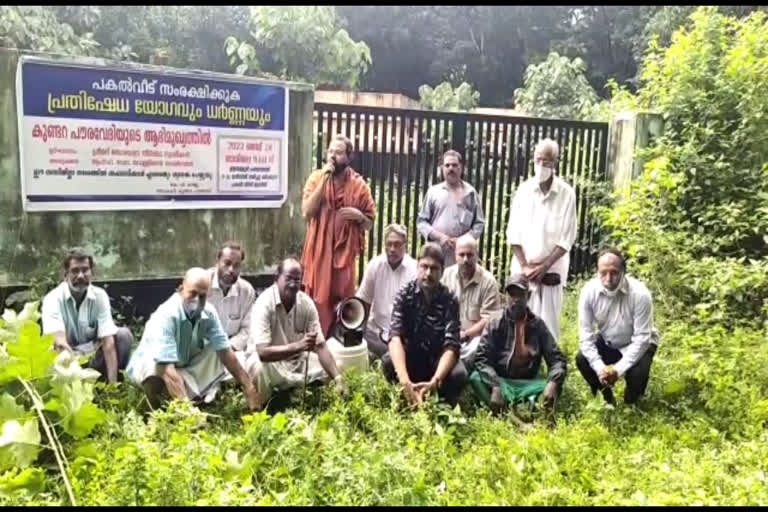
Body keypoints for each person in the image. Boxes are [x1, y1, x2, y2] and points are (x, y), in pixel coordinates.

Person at [125, 268, 262, 411]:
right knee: (154, 371)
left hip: (183, 365)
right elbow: (166, 370)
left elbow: (226, 352)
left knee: (219, 349)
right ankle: (158, 408)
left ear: (209, 294)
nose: (197, 300)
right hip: (157, 368)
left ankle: (184, 398)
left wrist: (249, 387)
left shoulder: (208, 312)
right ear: (181, 288)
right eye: (193, 293)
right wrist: (189, 415)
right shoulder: (166, 315)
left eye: (202, 296)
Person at [239, 258, 347, 401]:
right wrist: (300, 345)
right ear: (277, 278)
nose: (293, 284)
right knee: (259, 369)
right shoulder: (264, 304)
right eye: (288, 278)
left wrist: (338, 378)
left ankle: (297, 395)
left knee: (336, 365)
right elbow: (263, 353)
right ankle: (264, 408)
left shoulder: (306, 304)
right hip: (270, 363)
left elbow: (320, 345)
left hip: (296, 361)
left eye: (297, 279)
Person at [301, 134, 376, 337]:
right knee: (318, 301)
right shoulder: (316, 178)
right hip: (319, 254)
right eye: (331, 151)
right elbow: (307, 211)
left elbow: (369, 223)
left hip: (344, 258)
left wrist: (359, 216)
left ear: (348, 157)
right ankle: (316, 341)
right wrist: (324, 179)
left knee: (343, 301)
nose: (333, 156)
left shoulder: (359, 186)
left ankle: (338, 342)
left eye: (339, 152)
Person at [505, 138, 577, 341]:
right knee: (520, 322)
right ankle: (519, 364)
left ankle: (551, 367)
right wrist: (525, 266)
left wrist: (544, 267)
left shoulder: (566, 194)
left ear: (555, 163)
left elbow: (566, 238)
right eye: (538, 160)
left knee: (549, 326)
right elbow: (513, 233)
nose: (542, 166)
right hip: (523, 269)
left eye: (547, 161)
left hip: (552, 269)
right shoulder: (524, 191)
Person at [382, 242, 467, 406]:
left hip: (437, 361)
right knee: (388, 361)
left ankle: (438, 400)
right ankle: (405, 395)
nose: (428, 273)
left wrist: (436, 380)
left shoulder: (450, 299)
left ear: (442, 271)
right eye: (424, 266)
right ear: (417, 267)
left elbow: (452, 346)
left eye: (434, 268)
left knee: (459, 374)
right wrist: (404, 379)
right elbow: (395, 338)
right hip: (412, 358)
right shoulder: (405, 294)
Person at [469, 274, 567, 413]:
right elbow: (482, 359)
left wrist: (553, 382)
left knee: (554, 385)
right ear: (505, 296)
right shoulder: (495, 322)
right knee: (475, 377)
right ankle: (513, 411)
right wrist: (495, 385)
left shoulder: (537, 325)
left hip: (527, 384)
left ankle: (511, 408)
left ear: (529, 296)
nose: (515, 300)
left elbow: (557, 360)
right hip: (501, 381)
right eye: (511, 295)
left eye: (520, 295)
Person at [575, 248, 659, 406]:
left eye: (614, 272)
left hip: (640, 343)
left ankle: (632, 403)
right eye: (603, 273)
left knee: (637, 375)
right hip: (610, 341)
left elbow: (642, 339)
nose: (608, 278)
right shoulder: (588, 292)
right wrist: (601, 369)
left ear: (623, 271)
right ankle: (605, 398)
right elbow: (585, 336)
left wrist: (617, 370)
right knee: (582, 358)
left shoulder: (640, 294)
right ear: (597, 272)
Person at [42, 248, 133, 383]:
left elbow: (108, 343)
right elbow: (60, 344)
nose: (80, 276)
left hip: (93, 359)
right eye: (75, 271)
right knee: (54, 351)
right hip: (67, 362)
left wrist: (113, 386)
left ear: (92, 272)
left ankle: (109, 383)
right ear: (65, 274)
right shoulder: (53, 299)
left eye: (85, 270)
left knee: (124, 336)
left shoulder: (100, 296)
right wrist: (76, 377)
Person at [355, 223, 417, 358]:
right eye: (389, 244)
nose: (392, 249)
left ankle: (389, 357)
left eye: (397, 244)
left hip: (402, 335)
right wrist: (360, 329)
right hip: (376, 331)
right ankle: (389, 357)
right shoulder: (375, 265)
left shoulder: (414, 269)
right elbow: (364, 300)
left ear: (405, 246)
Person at [440, 234, 500, 368]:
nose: (465, 259)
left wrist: (465, 335)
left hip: (473, 338)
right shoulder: (446, 275)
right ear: (455, 256)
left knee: (481, 345)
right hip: (448, 333)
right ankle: (453, 362)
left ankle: (452, 363)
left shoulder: (488, 282)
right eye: (461, 255)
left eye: (470, 255)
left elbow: (489, 319)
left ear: (477, 255)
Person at [417, 150, 485, 268]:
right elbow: (422, 222)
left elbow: (479, 224)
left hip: (463, 255)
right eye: (447, 165)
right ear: (442, 168)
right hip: (437, 252)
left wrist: (462, 240)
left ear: (461, 168)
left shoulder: (470, 193)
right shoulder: (433, 192)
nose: (451, 168)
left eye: (454, 165)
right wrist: (440, 237)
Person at [206, 241, 256, 351]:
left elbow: (247, 329)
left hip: (233, 349)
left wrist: (227, 349)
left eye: (236, 265)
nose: (231, 270)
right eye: (227, 263)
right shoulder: (202, 284)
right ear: (217, 261)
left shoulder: (246, 291)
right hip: (202, 350)